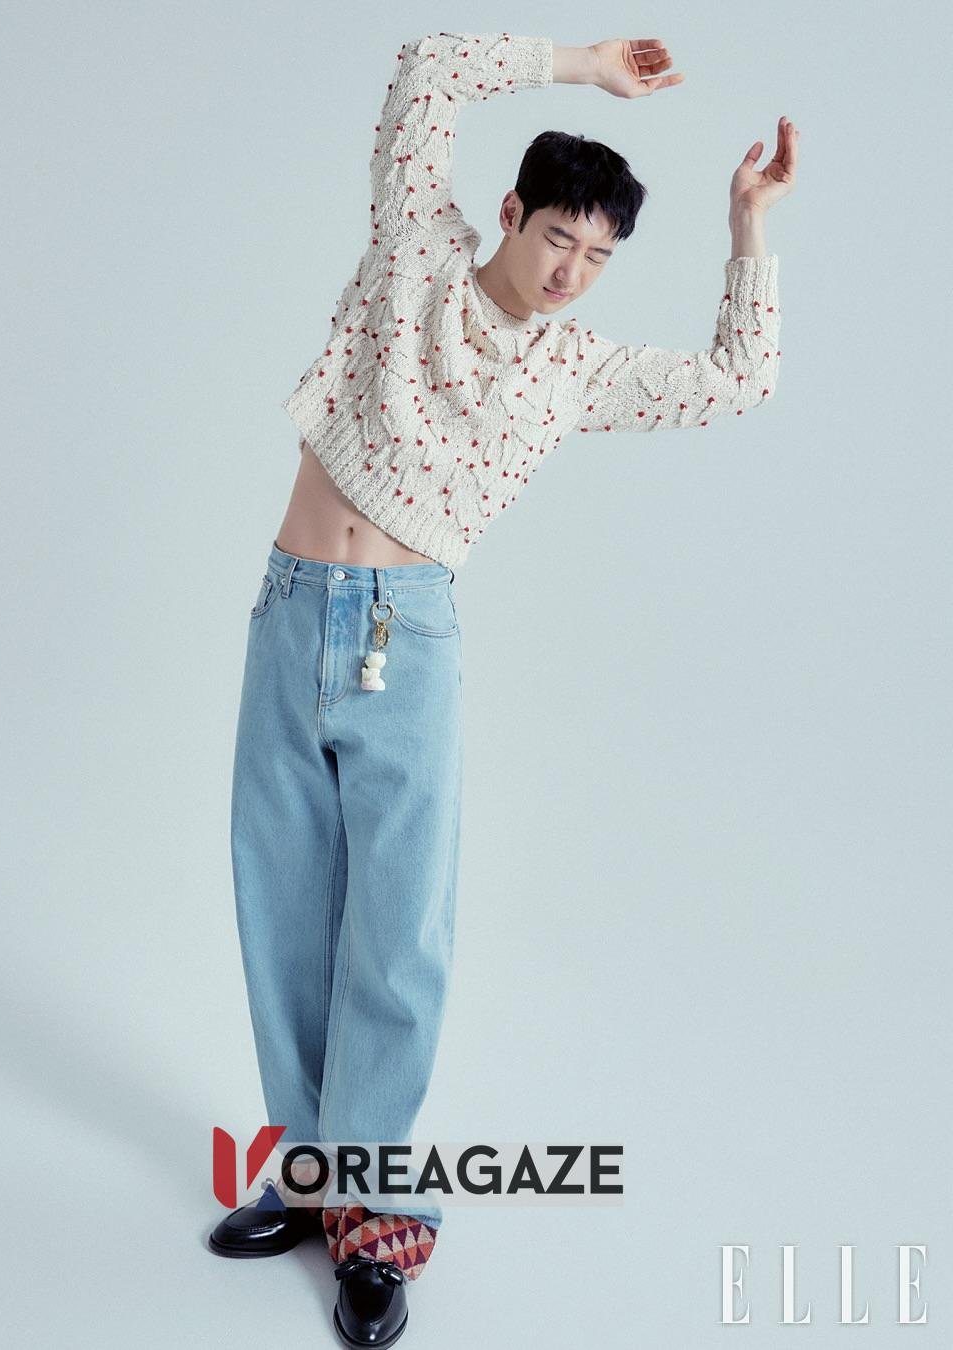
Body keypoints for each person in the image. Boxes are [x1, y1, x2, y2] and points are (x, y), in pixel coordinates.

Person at [209, 29, 797, 1347]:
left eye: (600, 258)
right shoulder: (413, 253)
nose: (573, 274)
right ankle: (308, 1172)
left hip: (408, 639)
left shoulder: (572, 369)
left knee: (397, 934)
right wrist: (583, 64)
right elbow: (425, 70)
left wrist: (747, 228)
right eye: (560, 240)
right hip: (292, 613)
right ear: (514, 211)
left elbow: (737, 383)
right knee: (281, 903)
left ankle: (374, 1207)